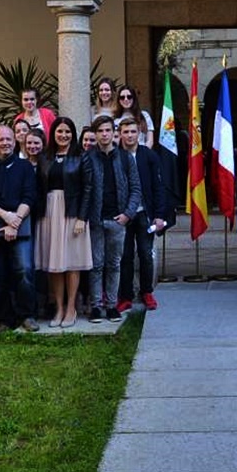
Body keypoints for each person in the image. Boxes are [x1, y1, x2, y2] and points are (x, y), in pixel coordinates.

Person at [0, 125, 39, 335]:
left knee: (24, 272)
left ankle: (26, 316)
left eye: (8, 139)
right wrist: (6, 216)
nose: (5, 143)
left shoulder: (25, 167)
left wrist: (16, 220)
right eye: (0, 140)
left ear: (15, 141)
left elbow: (30, 196)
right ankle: (4, 320)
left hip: (21, 225)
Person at [37, 117, 93, 327]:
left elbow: (88, 188)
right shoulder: (45, 157)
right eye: (60, 131)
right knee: (55, 265)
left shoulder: (81, 157)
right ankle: (58, 307)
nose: (63, 135)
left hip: (72, 213)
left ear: (73, 134)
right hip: (50, 213)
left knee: (71, 264)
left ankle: (71, 307)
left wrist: (82, 217)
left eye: (67, 132)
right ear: (53, 134)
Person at [86, 114, 141, 323]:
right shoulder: (88, 157)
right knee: (96, 264)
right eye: (100, 131)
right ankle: (96, 306)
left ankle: (111, 306)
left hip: (118, 220)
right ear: (95, 134)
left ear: (114, 132)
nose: (104, 134)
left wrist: (128, 214)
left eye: (108, 130)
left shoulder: (125, 157)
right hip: (96, 220)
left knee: (114, 264)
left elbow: (136, 188)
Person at [117, 116, 170, 312]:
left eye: (133, 132)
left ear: (139, 133)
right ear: (120, 134)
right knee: (125, 256)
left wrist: (159, 214)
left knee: (146, 254)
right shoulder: (116, 156)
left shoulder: (148, 155)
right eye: (125, 132)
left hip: (144, 213)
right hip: (123, 215)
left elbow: (158, 186)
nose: (130, 135)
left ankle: (146, 291)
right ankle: (125, 295)